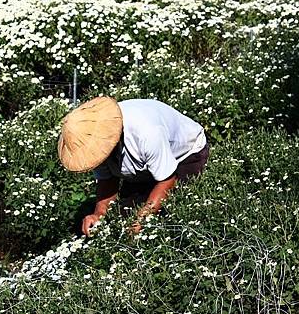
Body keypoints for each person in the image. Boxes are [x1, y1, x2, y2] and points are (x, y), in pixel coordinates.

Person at [58, 96, 209, 236]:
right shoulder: (92, 146)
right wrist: (98, 214)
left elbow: (167, 180)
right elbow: (107, 181)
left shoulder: (146, 133)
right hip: (144, 167)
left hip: (185, 156)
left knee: (171, 215)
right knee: (124, 216)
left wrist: (142, 219)